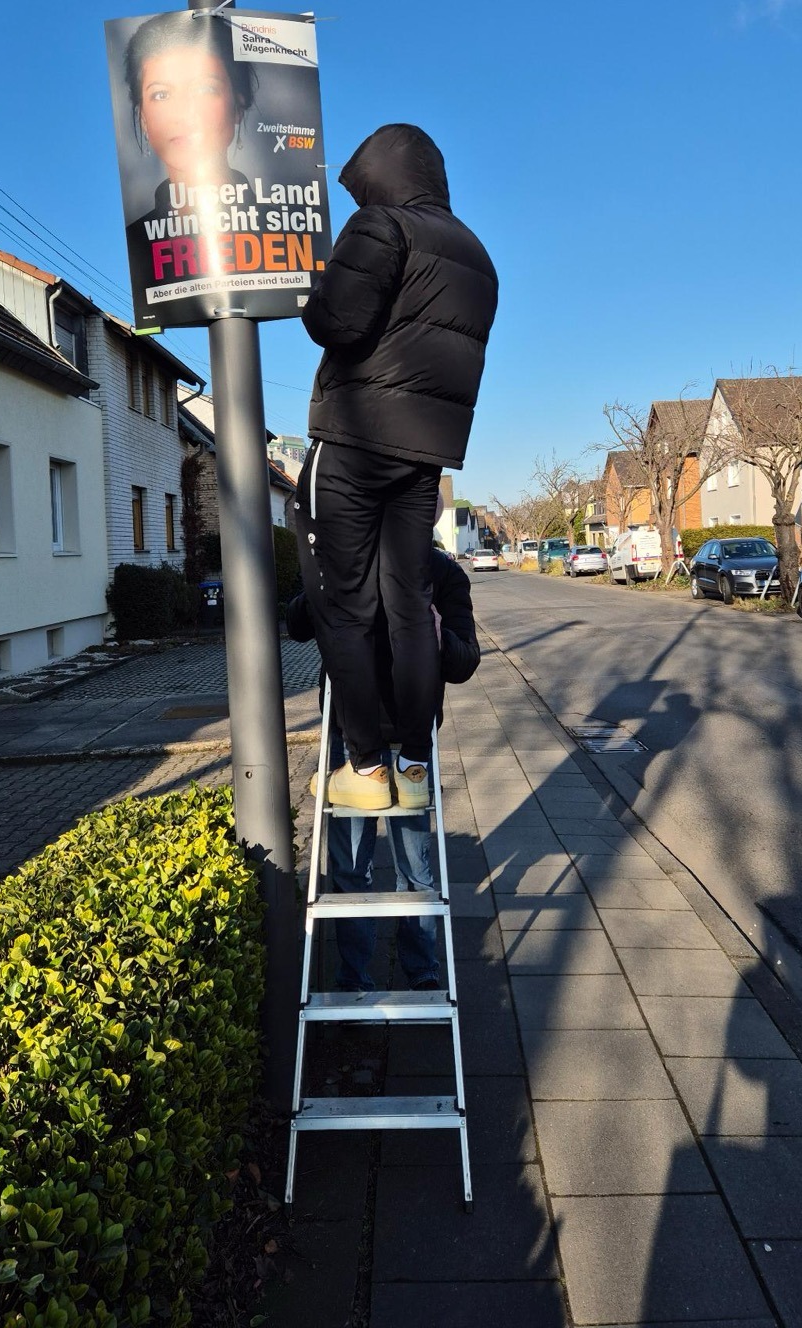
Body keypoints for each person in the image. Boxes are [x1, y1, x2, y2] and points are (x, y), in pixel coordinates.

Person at [294, 123, 498, 810]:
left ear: (381, 177)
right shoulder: (477, 255)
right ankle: (413, 768)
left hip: (354, 440)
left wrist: (318, 288)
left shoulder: (382, 225)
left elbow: (337, 324)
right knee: (409, 605)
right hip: (425, 454)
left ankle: (365, 768)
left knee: (343, 608)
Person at [287, 532, 481, 991]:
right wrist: (325, 579)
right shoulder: (346, 558)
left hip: (410, 742)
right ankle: (354, 977)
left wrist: (438, 634)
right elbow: (296, 624)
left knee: (415, 865)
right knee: (351, 867)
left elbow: (465, 662)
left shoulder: (442, 572)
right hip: (348, 737)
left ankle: (422, 969)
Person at [122, 11, 256, 280]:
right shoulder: (139, 243)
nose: (183, 112)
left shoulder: (291, 229)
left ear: (238, 105)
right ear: (143, 118)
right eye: (161, 94)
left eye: (205, 88)